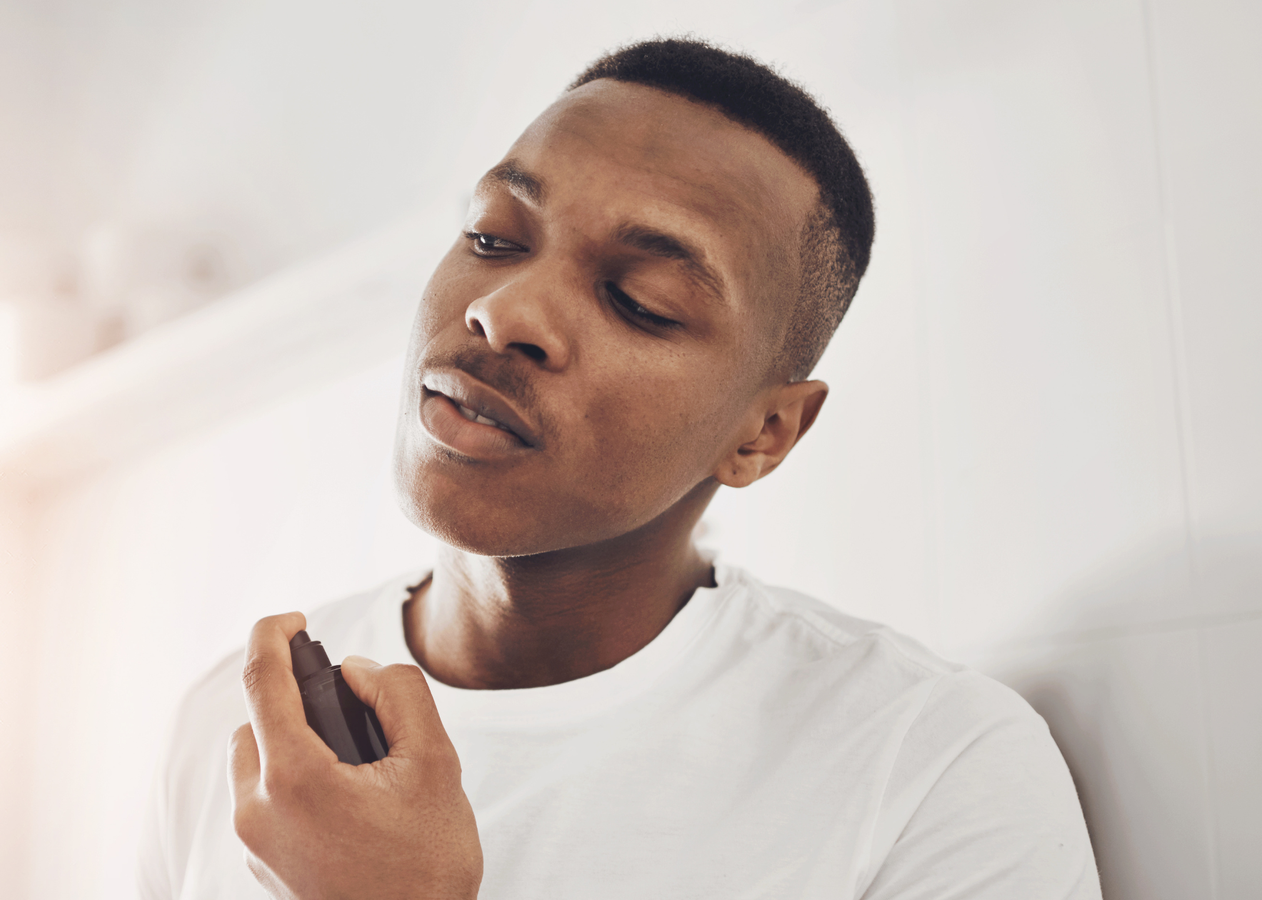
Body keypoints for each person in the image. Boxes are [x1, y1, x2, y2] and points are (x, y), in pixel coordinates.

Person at [139, 37, 1101, 900]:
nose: (505, 311)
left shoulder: (931, 771)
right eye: (493, 237)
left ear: (764, 433)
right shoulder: (234, 730)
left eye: (639, 301)